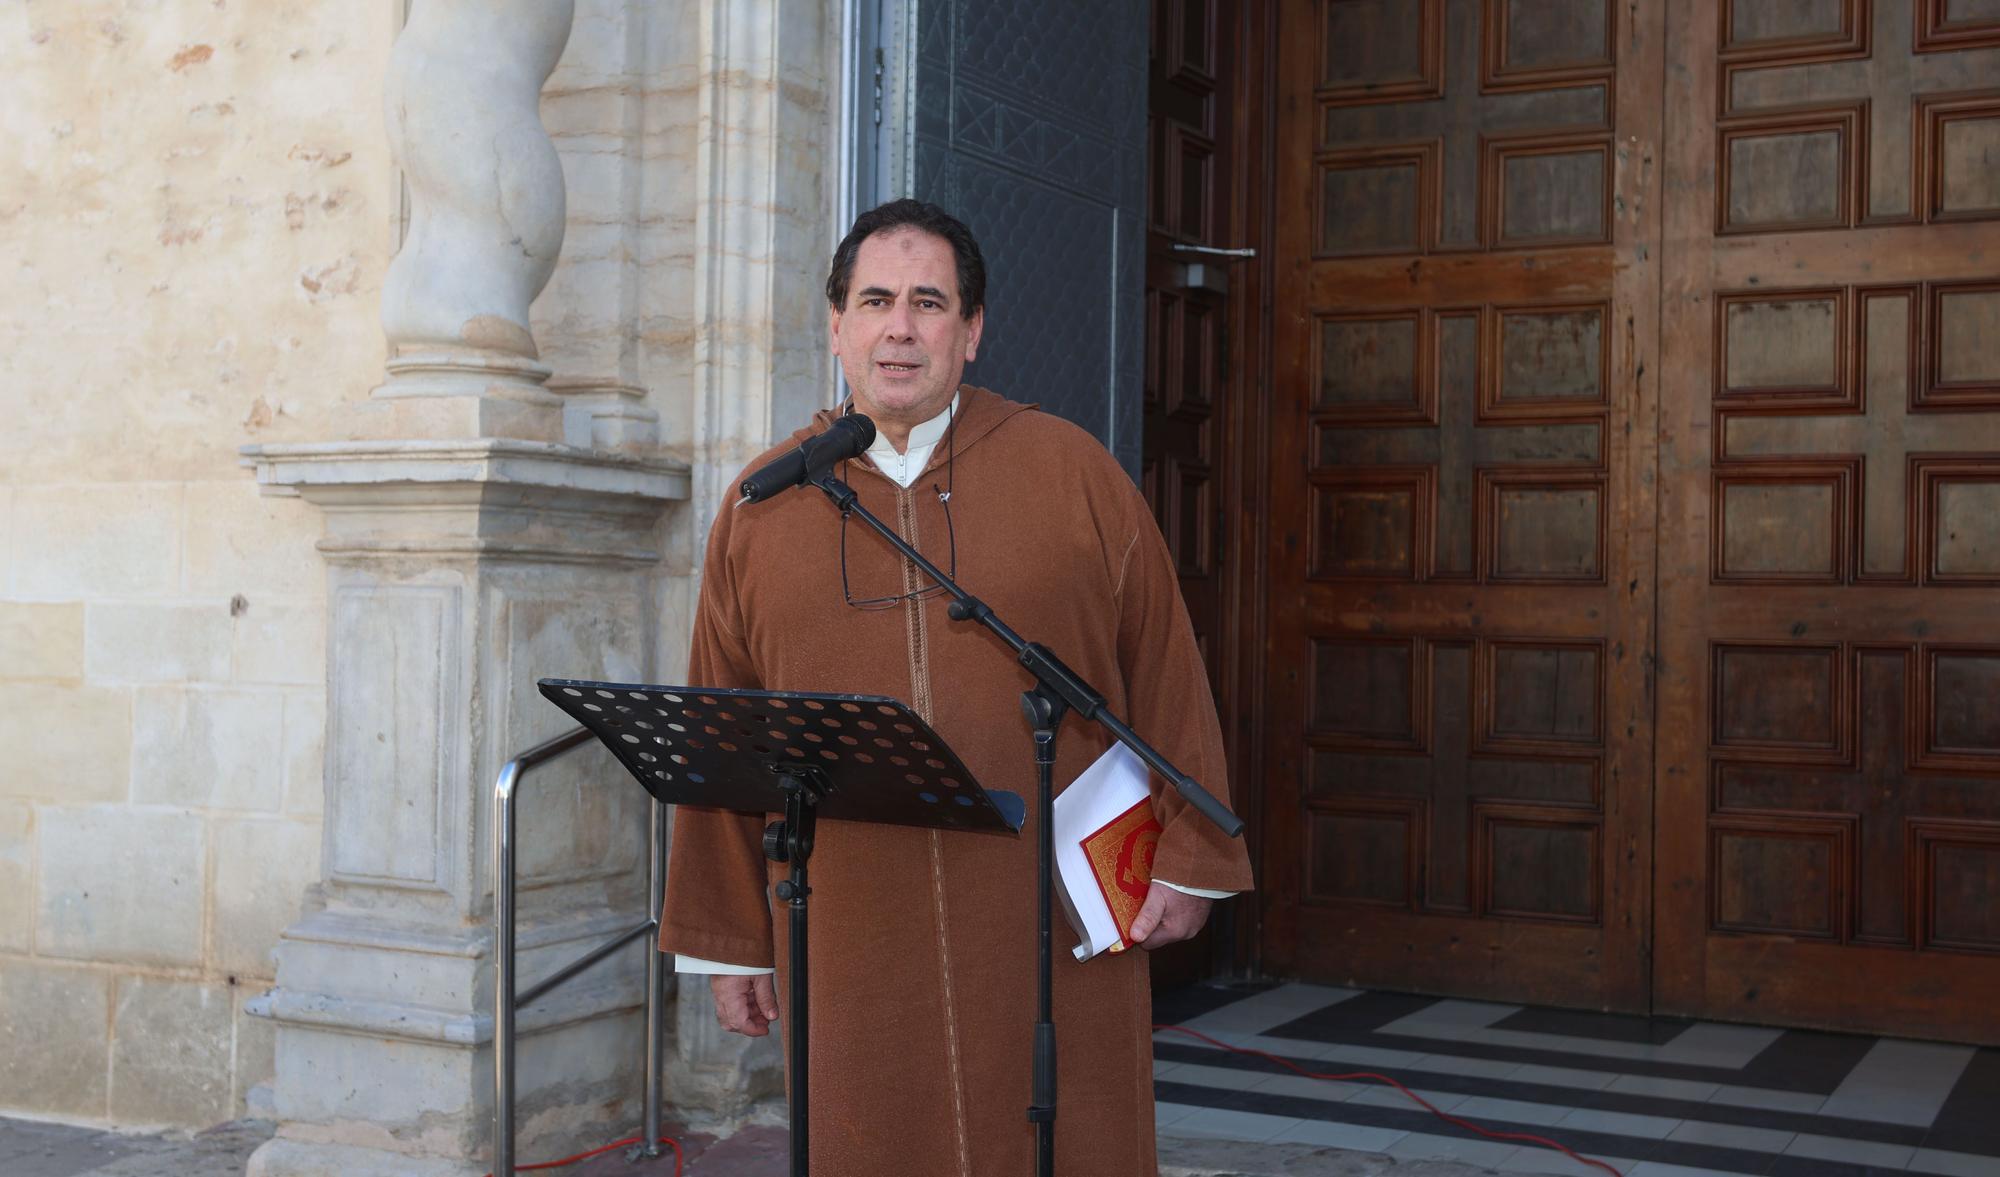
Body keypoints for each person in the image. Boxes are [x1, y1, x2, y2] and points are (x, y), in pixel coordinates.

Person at [660, 199, 1254, 1176]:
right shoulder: (764, 506)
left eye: (928, 302)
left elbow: (1162, 666)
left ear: (969, 333)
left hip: (1044, 915)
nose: (900, 326)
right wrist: (730, 942)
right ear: (837, 326)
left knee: (1067, 1136)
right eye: (876, 300)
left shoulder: (1070, 473)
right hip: (851, 919)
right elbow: (724, 725)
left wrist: (1193, 854)